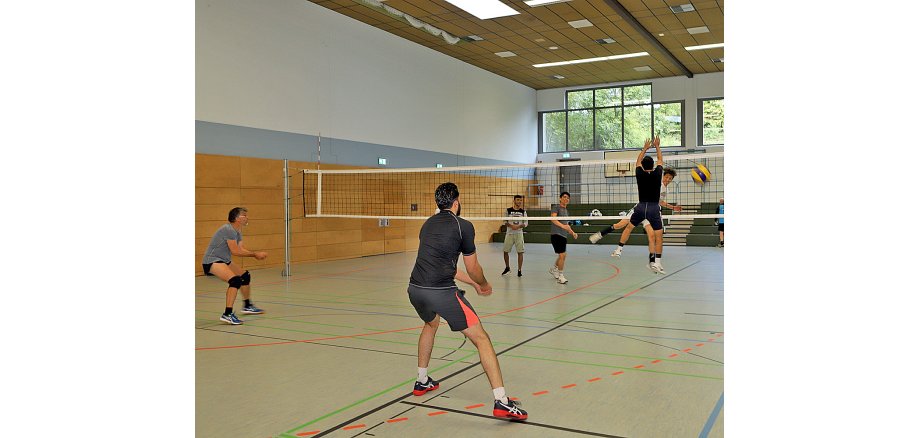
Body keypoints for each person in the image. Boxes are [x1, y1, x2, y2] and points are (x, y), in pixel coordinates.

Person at [407, 182, 528, 421]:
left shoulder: (427, 225)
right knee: (482, 339)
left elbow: (445, 267)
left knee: (431, 324)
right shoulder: (463, 226)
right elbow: (473, 268)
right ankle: (502, 402)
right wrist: (482, 283)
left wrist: (472, 285)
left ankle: (422, 381)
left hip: (415, 289)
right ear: (456, 201)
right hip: (440, 292)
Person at [201, 207, 268, 325]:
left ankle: (247, 306)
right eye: (244, 215)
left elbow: (240, 249)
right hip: (212, 261)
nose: (247, 217)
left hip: (224, 260)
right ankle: (227, 314)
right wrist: (254, 254)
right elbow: (235, 251)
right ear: (237, 218)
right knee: (235, 281)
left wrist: (254, 254)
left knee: (245, 276)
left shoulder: (237, 231)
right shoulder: (228, 229)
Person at [628, 136, 668, 274]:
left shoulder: (639, 173)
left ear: (643, 166)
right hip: (653, 208)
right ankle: (657, 262)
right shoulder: (658, 174)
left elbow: (637, 161)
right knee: (659, 236)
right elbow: (661, 160)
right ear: (653, 165)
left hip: (641, 207)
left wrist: (645, 148)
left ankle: (653, 262)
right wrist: (657, 146)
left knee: (645, 233)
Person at [549, 192, 578, 284]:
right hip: (556, 234)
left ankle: (554, 269)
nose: (566, 199)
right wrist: (562, 226)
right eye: (564, 197)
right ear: (560, 198)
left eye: (568, 198)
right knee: (562, 255)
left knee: (562, 255)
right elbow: (553, 219)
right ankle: (561, 276)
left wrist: (573, 232)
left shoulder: (566, 211)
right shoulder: (556, 207)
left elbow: (566, 225)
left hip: (563, 235)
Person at [501, 195, 528, 277]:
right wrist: (511, 226)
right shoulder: (508, 210)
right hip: (509, 233)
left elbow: (526, 223)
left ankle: (519, 270)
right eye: (518, 200)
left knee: (520, 252)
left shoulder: (523, 212)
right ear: (514, 200)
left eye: (520, 200)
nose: (519, 201)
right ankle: (507, 268)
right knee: (505, 251)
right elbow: (504, 221)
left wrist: (518, 226)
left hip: (519, 234)